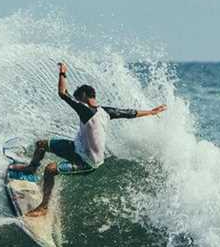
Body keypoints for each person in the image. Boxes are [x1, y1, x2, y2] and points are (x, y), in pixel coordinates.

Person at [11, 62, 167, 217]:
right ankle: (31, 168)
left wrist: (63, 72)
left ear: (84, 96)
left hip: (87, 162)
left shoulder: (86, 110)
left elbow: (62, 93)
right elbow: (129, 113)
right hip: (77, 148)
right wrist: (151, 112)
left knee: (50, 169)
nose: (78, 101)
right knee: (41, 145)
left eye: (79, 98)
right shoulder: (105, 111)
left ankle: (44, 207)